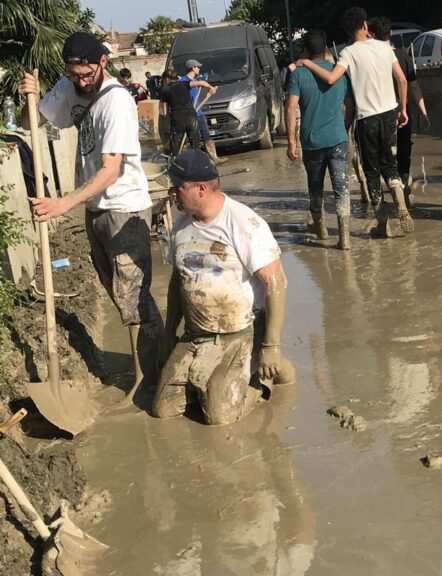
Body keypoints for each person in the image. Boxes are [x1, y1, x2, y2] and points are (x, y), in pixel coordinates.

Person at [19, 32, 162, 399]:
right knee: (118, 294)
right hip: (97, 208)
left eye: (86, 74)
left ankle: (150, 378)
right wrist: (29, 96)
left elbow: (110, 170)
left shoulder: (116, 102)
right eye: (74, 74)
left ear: (101, 63)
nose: (81, 81)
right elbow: (32, 121)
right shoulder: (70, 86)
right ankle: (148, 365)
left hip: (124, 208)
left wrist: (63, 205)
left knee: (134, 298)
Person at [153, 149, 294, 426]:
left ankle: (266, 374)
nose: (171, 192)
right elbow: (177, 281)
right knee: (162, 409)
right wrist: (169, 333)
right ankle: (210, 382)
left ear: (201, 189)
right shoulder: (181, 226)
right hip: (195, 334)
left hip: (240, 333)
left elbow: (276, 281)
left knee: (218, 417)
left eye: (177, 187)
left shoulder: (243, 222)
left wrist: (271, 345)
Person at [296, 7, 415, 236]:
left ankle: (383, 225)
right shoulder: (384, 47)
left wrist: (308, 64)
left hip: (366, 120)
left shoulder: (347, 53)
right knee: (390, 164)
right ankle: (401, 205)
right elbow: (401, 79)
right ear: (364, 25)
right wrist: (402, 109)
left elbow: (331, 78)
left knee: (372, 171)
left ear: (348, 30)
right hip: (389, 114)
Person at [286, 30, 356, 250]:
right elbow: (350, 106)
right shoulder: (339, 73)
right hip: (338, 139)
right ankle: (344, 237)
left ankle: (321, 229)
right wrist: (343, 128)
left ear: (305, 51)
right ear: (326, 50)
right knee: (341, 188)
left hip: (312, 141)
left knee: (315, 187)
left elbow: (290, 108)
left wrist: (291, 141)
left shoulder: (298, 74)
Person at [368, 16, 431, 208]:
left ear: (371, 35)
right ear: (391, 34)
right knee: (404, 151)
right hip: (402, 114)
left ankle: (387, 195)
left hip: (379, 115)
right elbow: (413, 87)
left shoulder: (371, 58)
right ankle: (403, 183)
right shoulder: (403, 56)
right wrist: (423, 112)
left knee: (384, 156)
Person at [180, 59, 227, 164]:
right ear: (192, 68)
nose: (199, 68)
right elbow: (201, 83)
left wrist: (209, 92)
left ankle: (214, 157)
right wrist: (210, 87)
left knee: (206, 134)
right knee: (190, 138)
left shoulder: (195, 79)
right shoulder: (184, 81)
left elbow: (200, 84)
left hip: (198, 112)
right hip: (189, 113)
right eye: (197, 67)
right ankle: (188, 160)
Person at [160, 67, 201, 157]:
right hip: (191, 117)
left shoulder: (166, 91)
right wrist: (210, 88)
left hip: (178, 119)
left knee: (176, 147)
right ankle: (198, 163)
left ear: (167, 79)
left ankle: (176, 162)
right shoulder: (184, 83)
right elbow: (202, 83)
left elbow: (164, 112)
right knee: (196, 145)